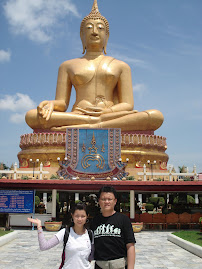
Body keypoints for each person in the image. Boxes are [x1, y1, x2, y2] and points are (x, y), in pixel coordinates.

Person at [25, 0, 163, 132]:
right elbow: (62, 103)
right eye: (89, 28)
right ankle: (96, 124)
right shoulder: (67, 65)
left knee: (155, 116)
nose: (95, 31)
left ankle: (95, 124)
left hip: (109, 115)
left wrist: (107, 112)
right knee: (32, 116)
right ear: (82, 36)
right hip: (79, 115)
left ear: (107, 36)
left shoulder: (121, 66)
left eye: (100, 28)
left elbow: (127, 104)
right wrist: (51, 104)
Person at [27, 202, 94, 269]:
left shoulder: (90, 234)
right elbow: (44, 246)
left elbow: (90, 257)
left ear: (87, 216)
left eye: (83, 216)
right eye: (77, 216)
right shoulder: (65, 232)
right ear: (72, 215)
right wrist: (39, 226)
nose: (79, 219)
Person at [90, 186, 136, 269]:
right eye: (103, 199)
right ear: (99, 201)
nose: (106, 202)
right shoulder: (94, 221)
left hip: (119, 265)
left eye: (109, 199)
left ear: (115, 201)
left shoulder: (123, 219)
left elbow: (130, 245)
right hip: (100, 265)